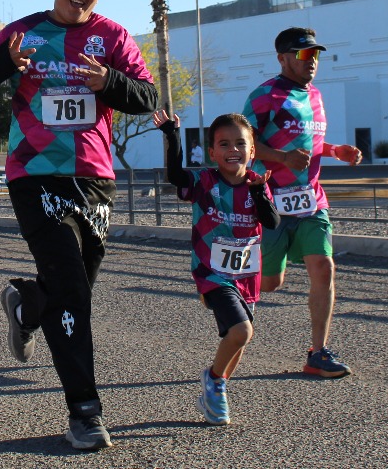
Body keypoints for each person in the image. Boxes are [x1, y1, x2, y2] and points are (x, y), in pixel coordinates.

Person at [0, 0, 157, 451]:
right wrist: (6, 63)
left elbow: (147, 96)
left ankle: (28, 304)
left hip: (93, 179)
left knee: (74, 288)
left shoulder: (111, 36)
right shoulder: (23, 34)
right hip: (34, 175)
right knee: (72, 289)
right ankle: (85, 413)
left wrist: (109, 80)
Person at [244, 27, 363, 378]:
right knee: (269, 284)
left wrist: (335, 150)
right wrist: (280, 158)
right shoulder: (264, 96)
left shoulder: (316, 96)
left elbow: (309, 143)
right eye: (303, 55)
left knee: (324, 268)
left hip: (311, 202)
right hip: (270, 203)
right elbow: (243, 145)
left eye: (315, 55)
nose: (311, 62)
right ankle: (228, 287)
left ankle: (318, 352)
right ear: (282, 58)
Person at [155, 109, 279, 425]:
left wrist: (259, 195)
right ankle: (213, 379)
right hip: (212, 273)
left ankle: (216, 385)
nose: (232, 150)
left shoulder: (257, 183)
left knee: (238, 338)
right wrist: (172, 135)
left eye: (240, 144)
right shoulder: (205, 180)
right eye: (223, 144)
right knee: (242, 330)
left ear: (252, 151)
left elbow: (272, 222)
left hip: (246, 276)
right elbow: (176, 177)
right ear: (212, 152)